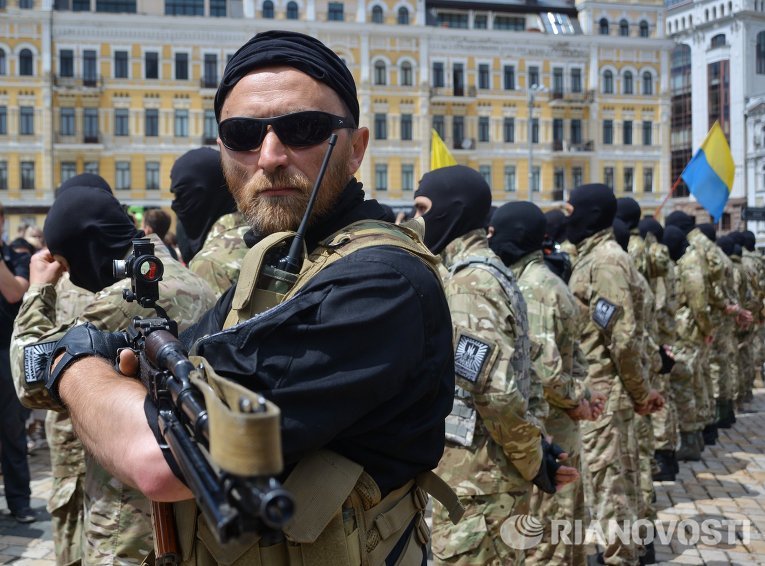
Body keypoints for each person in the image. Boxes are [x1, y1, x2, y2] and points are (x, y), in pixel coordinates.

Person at [37, 30, 457, 565]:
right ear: (222, 151)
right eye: (242, 134)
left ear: (356, 149)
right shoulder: (282, 260)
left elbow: (156, 460)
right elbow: (180, 363)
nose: (271, 155)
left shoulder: (379, 282)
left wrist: (71, 365)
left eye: (304, 129)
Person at [10, 175, 217, 564]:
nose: (70, 275)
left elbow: (31, 380)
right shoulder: (189, 279)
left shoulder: (122, 301)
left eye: (71, 264)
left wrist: (38, 290)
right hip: (185, 496)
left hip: (128, 513)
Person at [414, 166, 578, 566]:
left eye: (423, 208)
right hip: (481, 481)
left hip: (480, 486)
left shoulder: (471, 283)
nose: (416, 219)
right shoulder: (475, 273)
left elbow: (495, 391)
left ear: (453, 211)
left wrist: (535, 458)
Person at [489, 201, 604, 566]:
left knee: (546, 539)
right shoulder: (549, 280)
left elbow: (546, 369)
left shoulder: (531, 286)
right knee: (563, 533)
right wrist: (582, 394)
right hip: (559, 426)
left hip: (551, 430)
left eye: (495, 231)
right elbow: (576, 355)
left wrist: (576, 401)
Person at [566, 184, 663, 565]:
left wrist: (641, 394)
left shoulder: (605, 262)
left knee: (610, 487)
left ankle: (619, 558)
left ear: (589, 216)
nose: (567, 219)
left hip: (605, 394)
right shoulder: (595, 258)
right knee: (611, 483)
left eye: (572, 211)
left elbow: (621, 339)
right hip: (600, 392)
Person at [170, 147, 250, 296]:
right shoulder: (259, 231)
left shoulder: (210, 264)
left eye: (181, 194)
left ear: (206, 193)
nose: (175, 205)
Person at [0, 202, 35, 524]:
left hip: (4, 353)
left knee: (12, 431)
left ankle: (20, 502)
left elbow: (15, 293)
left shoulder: (16, 256)